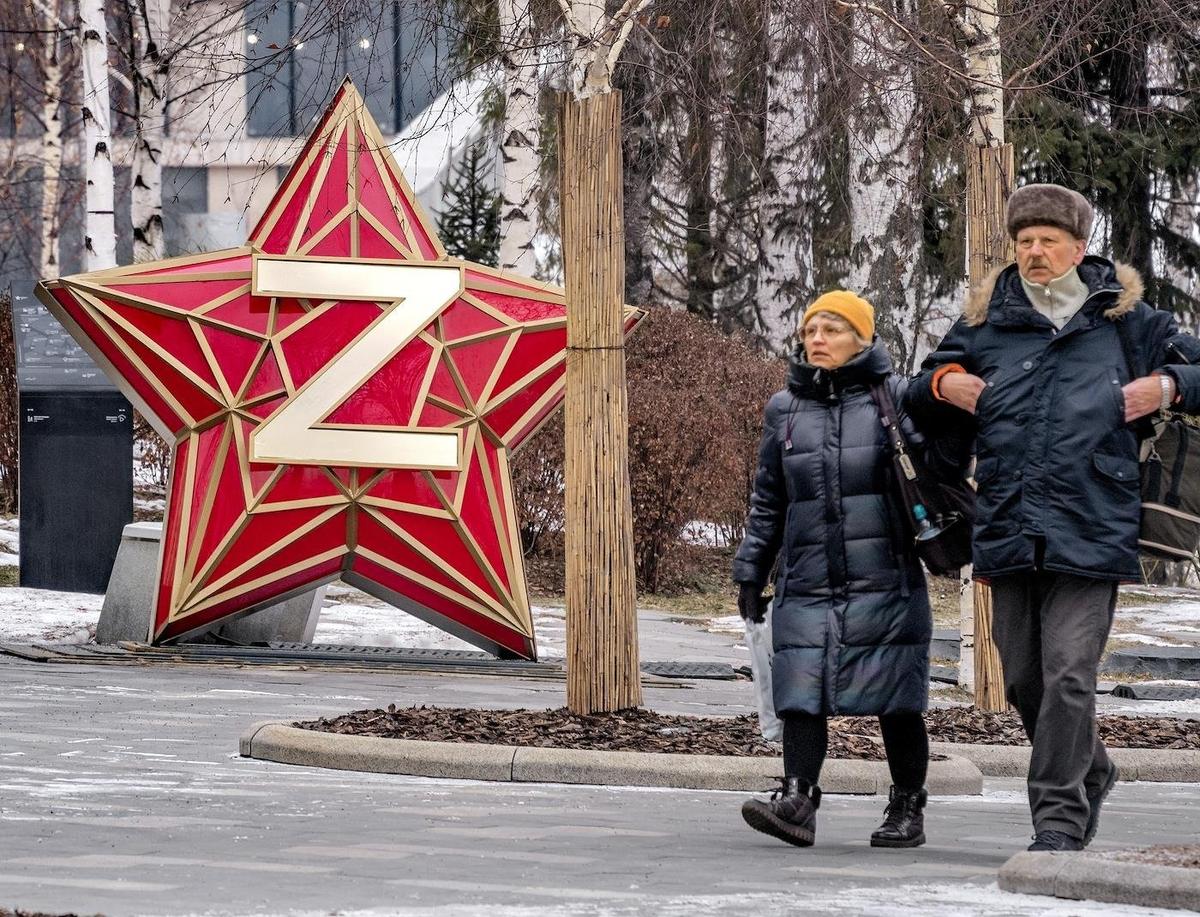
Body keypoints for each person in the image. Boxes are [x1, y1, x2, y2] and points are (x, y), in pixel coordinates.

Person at [904, 183, 1200, 852]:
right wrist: (944, 383)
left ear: (1078, 247)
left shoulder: (1129, 322)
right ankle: (1092, 765)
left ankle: (1058, 819)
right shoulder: (985, 322)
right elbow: (914, 388)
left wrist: (1170, 384)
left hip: (1093, 520)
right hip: (1008, 518)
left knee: (1069, 672)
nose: (1035, 252)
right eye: (1025, 241)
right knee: (1024, 679)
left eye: (1048, 240)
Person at [734, 291, 967, 849]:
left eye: (832, 330)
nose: (817, 340)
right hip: (806, 576)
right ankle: (797, 800)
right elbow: (769, 500)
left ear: (862, 339)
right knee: (800, 689)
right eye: (811, 330)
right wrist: (751, 571)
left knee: (896, 697)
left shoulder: (896, 400)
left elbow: (940, 464)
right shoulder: (783, 409)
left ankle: (907, 807)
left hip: (884, 576)